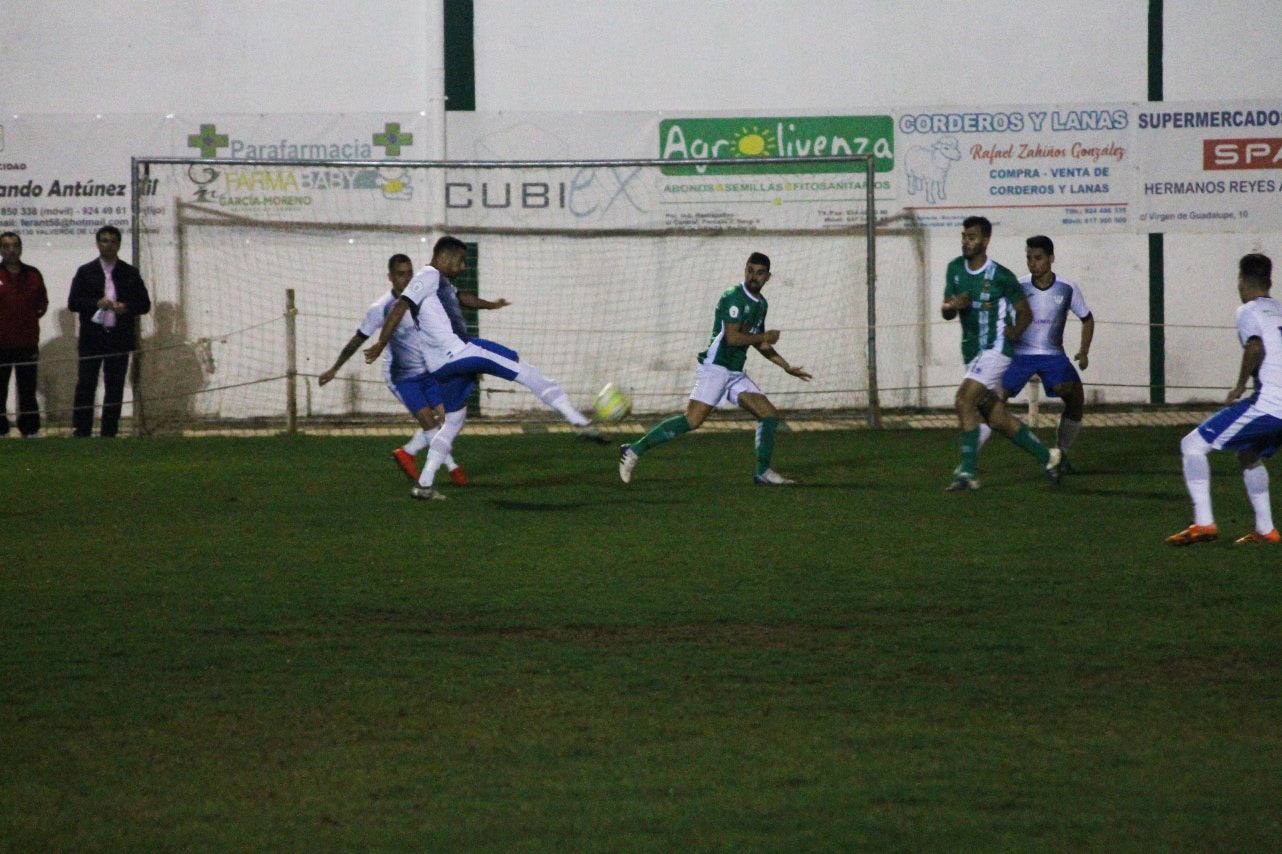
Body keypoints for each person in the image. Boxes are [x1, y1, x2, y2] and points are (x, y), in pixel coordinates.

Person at [363, 236, 606, 452]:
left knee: (453, 420)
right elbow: (399, 307)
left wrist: (491, 304)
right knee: (522, 369)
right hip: (459, 351)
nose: (463, 266)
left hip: (450, 357)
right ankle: (576, 419)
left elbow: (463, 298)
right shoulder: (426, 277)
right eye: (460, 260)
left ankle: (423, 475)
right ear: (445, 257)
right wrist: (381, 342)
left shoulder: (440, 281)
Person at [618, 251, 812, 485]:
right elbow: (733, 338)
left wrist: (786, 366)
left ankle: (762, 472)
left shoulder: (761, 305)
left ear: (768, 277)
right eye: (750, 270)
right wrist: (766, 335)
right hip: (716, 368)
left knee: (769, 415)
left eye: (760, 273)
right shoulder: (733, 297)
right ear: (745, 270)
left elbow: (758, 342)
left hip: (735, 372)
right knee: (692, 420)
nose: (754, 277)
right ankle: (633, 450)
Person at [318, 253, 471, 492]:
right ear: (390, 277)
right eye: (401, 274)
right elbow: (359, 338)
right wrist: (334, 368)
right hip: (402, 376)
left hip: (429, 370)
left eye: (410, 273)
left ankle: (407, 452)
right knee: (429, 422)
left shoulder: (423, 297)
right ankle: (453, 468)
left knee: (452, 418)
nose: (407, 278)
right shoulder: (380, 308)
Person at [1167, 253, 1282, 546]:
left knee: (1192, 445)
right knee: (1249, 454)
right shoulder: (1279, 310)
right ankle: (1266, 530)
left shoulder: (1248, 310)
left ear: (1242, 282)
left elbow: (1254, 347)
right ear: (1269, 281)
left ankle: (1204, 523)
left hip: (1268, 405)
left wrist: (1240, 386)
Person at [940, 216, 1062, 491]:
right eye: (964, 236)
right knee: (996, 418)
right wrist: (953, 306)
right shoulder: (955, 269)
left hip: (996, 350)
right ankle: (1049, 457)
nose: (966, 242)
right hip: (972, 352)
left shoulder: (1001, 276)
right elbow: (946, 311)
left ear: (985, 240)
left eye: (972, 237)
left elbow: (1025, 312)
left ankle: (968, 473)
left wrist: (1016, 332)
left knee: (963, 400)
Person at [978, 235, 1095, 466]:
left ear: (1051, 258)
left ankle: (1059, 453)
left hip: (1053, 356)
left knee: (1075, 397)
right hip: (1020, 355)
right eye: (1029, 258)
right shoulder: (1018, 286)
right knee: (990, 401)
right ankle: (969, 462)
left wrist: (1084, 351)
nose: (1033, 263)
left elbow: (1087, 318)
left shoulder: (1067, 287)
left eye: (1038, 258)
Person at [68, 225, 151, 437]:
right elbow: (74, 302)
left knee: (114, 387)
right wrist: (95, 303)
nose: (108, 245)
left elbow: (144, 304)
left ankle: (109, 431)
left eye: (113, 241)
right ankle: (82, 430)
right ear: (97, 244)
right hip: (91, 339)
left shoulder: (130, 273)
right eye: (104, 240)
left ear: (119, 244)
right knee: (86, 385)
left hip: (119, 338)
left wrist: (127, 308)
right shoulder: (85, 272)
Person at [0, 231, 49, 437]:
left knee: (28, 389)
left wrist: (31, 316)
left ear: (20, 248)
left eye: (15, 245)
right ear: (1, 249)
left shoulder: (33, 274)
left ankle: (30, 429)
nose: (11, 250)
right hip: (1, 343)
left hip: (27, 342)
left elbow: (42, 303)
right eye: (6, 246)